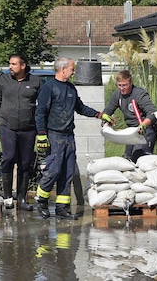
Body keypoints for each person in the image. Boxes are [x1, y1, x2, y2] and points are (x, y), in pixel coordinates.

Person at [34, 57, 113, 219]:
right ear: (62, 69)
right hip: (53, 135)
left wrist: (99, 114)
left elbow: (80, 108)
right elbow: (40, 112)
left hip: (68, 136)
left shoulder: (71, 88)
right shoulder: (49, 88)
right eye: (72, 68)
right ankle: (41, 201)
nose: (74, 71)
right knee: (53, 170)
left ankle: (62, 208)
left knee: (67, 172)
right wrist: (41, 134)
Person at [0, 53, 42, 211]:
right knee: (9, 158)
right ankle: (7, 197)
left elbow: (42, 106)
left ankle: (22, 199)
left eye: (13, 64)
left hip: (28, 129)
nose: (10, 67)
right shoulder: (3, 80)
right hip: (7, 126)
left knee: (25, 164)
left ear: (23, 66)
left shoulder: (35, 82)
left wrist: (41, 129)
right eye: (10, 64)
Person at [102, 70, 157, 162]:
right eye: (119, 85)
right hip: (131, 130)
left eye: (125, 85)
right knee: (128, 158)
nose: (122, 88)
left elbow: (152, 113)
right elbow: (108, 110)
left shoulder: (139, 94)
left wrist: (143, 125)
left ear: (131, 83)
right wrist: (105, 119)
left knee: (139, 157)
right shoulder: (117, 95)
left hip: (145, 128)